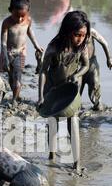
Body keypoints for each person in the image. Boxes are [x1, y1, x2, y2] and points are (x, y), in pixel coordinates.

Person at [38, 10, 90, 173]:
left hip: (70, 93)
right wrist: (40, 96)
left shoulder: (82, 47)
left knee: (73, 123)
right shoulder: (54, 48)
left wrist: (77, 74)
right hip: (52, 91)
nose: (80, 39)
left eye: (83, 35)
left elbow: (85, 65)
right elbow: (43, 71)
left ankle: (77, 163)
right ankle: (52, 156)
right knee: (52, 124)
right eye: (77, 35)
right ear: (67, 31)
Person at [0, 0, 44, 103]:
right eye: (16, 16)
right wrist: (4, 56)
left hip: (20, 52)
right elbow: (3, 42)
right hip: (8, 52)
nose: (19, 19)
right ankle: (16, 93)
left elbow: (29, 32)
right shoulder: (7, 23)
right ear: (11, 11)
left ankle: (15, 99)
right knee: (10, 77)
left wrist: (36, 45)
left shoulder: (28, 20)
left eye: (22, 16)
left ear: (28, 12)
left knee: (17, 77)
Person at [80, 28, 112, 111]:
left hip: (91, 65)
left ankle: (98, 112)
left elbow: (104, 43)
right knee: (75, 94)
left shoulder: (90, 31)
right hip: (77, 66)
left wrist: (109, 58)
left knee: (95, 93)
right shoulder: (70, 32)